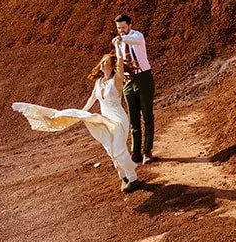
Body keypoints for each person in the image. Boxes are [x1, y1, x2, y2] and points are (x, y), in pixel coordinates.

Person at [12, 53, 141, 192]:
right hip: (104, 120)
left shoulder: (116, 79)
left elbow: (120, 63)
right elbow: (92, 99)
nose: (102, 64)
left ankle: (133, 178)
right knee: (110, 149)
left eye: (106, 62)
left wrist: (117, 47)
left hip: (118, 120)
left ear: (111, 65)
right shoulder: (98, 82)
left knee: (118, 150)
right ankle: (124, 177)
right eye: (102, 62)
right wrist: (81, 114)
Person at [112, 14, 154, 164]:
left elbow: (134, 40)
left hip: (143, 77)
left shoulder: (137, 36)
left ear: (130, 25)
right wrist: (117, 46)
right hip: (129, 81)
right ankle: (135, 151)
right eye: (118, 28)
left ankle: (147, 150)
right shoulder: (120, 42)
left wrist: (121, 39)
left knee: (147, 115)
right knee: (133, 118)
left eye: (123, 27)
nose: (121, 30)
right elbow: (120, 60)